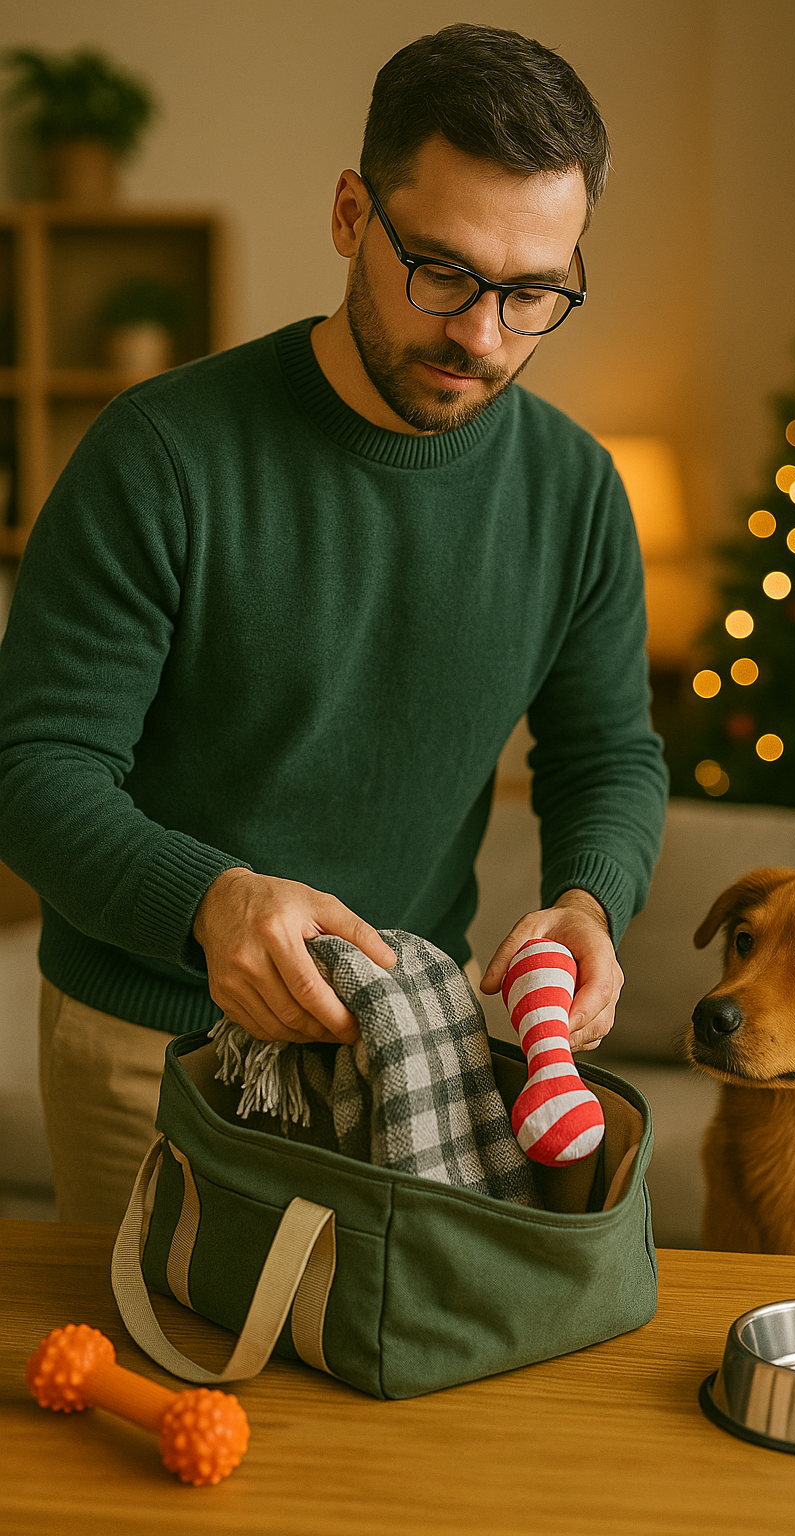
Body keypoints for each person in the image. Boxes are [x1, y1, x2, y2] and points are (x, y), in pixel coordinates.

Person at [0, 23, 668, 1224]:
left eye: (533, 293)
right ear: (353, 214)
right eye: (446, 273)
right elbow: (33, 770)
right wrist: (209, 901)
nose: (481, 333)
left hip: (418, 1041)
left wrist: (588, 901)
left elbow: (606, 752)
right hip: (152, 1048)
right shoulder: (159, 455)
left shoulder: (576, 491)